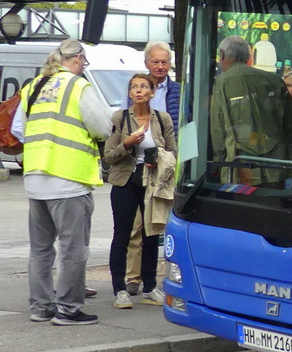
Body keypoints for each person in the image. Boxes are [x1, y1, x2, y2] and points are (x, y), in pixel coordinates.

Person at [10, 40, 112, 325]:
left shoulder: (33, 86)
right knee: (72, 248)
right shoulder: (77, 86)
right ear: (78, 59)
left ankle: (41, 307)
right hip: (68, 180)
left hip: (35, 179)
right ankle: (68, 308)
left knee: (40, 248)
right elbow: (103, 127)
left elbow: (18, 128)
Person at [103, 73, 176, 308]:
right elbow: (108, 158)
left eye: (144, 87)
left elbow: (173, 152)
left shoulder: (162, 118)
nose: (139, 91)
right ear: (129, 93)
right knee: (122, 235)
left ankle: (150, 287)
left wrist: (160, 158)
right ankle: (119, 290)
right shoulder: (120, 118)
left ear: (152, 92)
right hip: (125, 180)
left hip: (152, 181)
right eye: (134, 87)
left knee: (151, 234)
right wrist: (127, 144)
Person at [124, 41, 180, 293]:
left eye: (165, 61)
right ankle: (133, 278)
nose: (160, 66)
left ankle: (161, 278)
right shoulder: (138, 87)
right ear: (146, 64)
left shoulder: (179, 91)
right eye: (155, 62)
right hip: (138, 164)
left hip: (166, 164)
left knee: (161, 222)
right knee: (137, 224)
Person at [209, 34, 292, 183]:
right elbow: (290, 123)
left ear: (222, 56)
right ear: (249, 56)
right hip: (277, 163)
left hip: (240, 161)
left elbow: (218, 128)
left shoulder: (221, 84)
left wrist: (218, 162)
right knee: (272, 204)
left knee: (244, 204)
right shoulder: (274, 80)